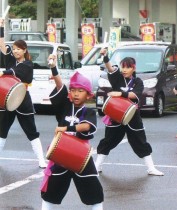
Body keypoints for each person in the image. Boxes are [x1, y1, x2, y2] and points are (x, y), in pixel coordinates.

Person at [40, 55, 104, 210]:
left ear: (88, 95)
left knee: (94, 193)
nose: (76, 94)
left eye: (80, 91)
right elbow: (59, 84)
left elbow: (85, 127)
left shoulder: (88, 112)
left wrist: (67, 129)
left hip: (81, 155)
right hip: (61, 153)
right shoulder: (65, 107)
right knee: (51, 192)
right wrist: (53, 67)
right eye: (73, 90)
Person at [94, 48, 164, 176]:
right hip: (115, 114)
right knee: (108, 141)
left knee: (140, 141)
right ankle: (97, 166)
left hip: (132, 116)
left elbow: (134, 95)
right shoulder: (117, 78)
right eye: (123, 67)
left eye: (127, 67)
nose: (124, 70)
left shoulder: (138, 81)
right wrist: (105, 56)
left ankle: (151, 168)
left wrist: (120, 93)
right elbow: (110, 68)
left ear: (133, 68)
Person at [0, 18, 47, 168]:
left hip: (22, 99)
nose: (15, 51)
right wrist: (1, 27)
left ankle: (41, 159)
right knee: (2, 130)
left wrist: (3, 73)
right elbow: (1, 44)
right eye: (14, 49)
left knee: (31, 131)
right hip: (8, 99)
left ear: (24, 50)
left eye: (18, 49)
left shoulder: (27, 64)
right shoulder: (10, 59)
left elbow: (13, 72)